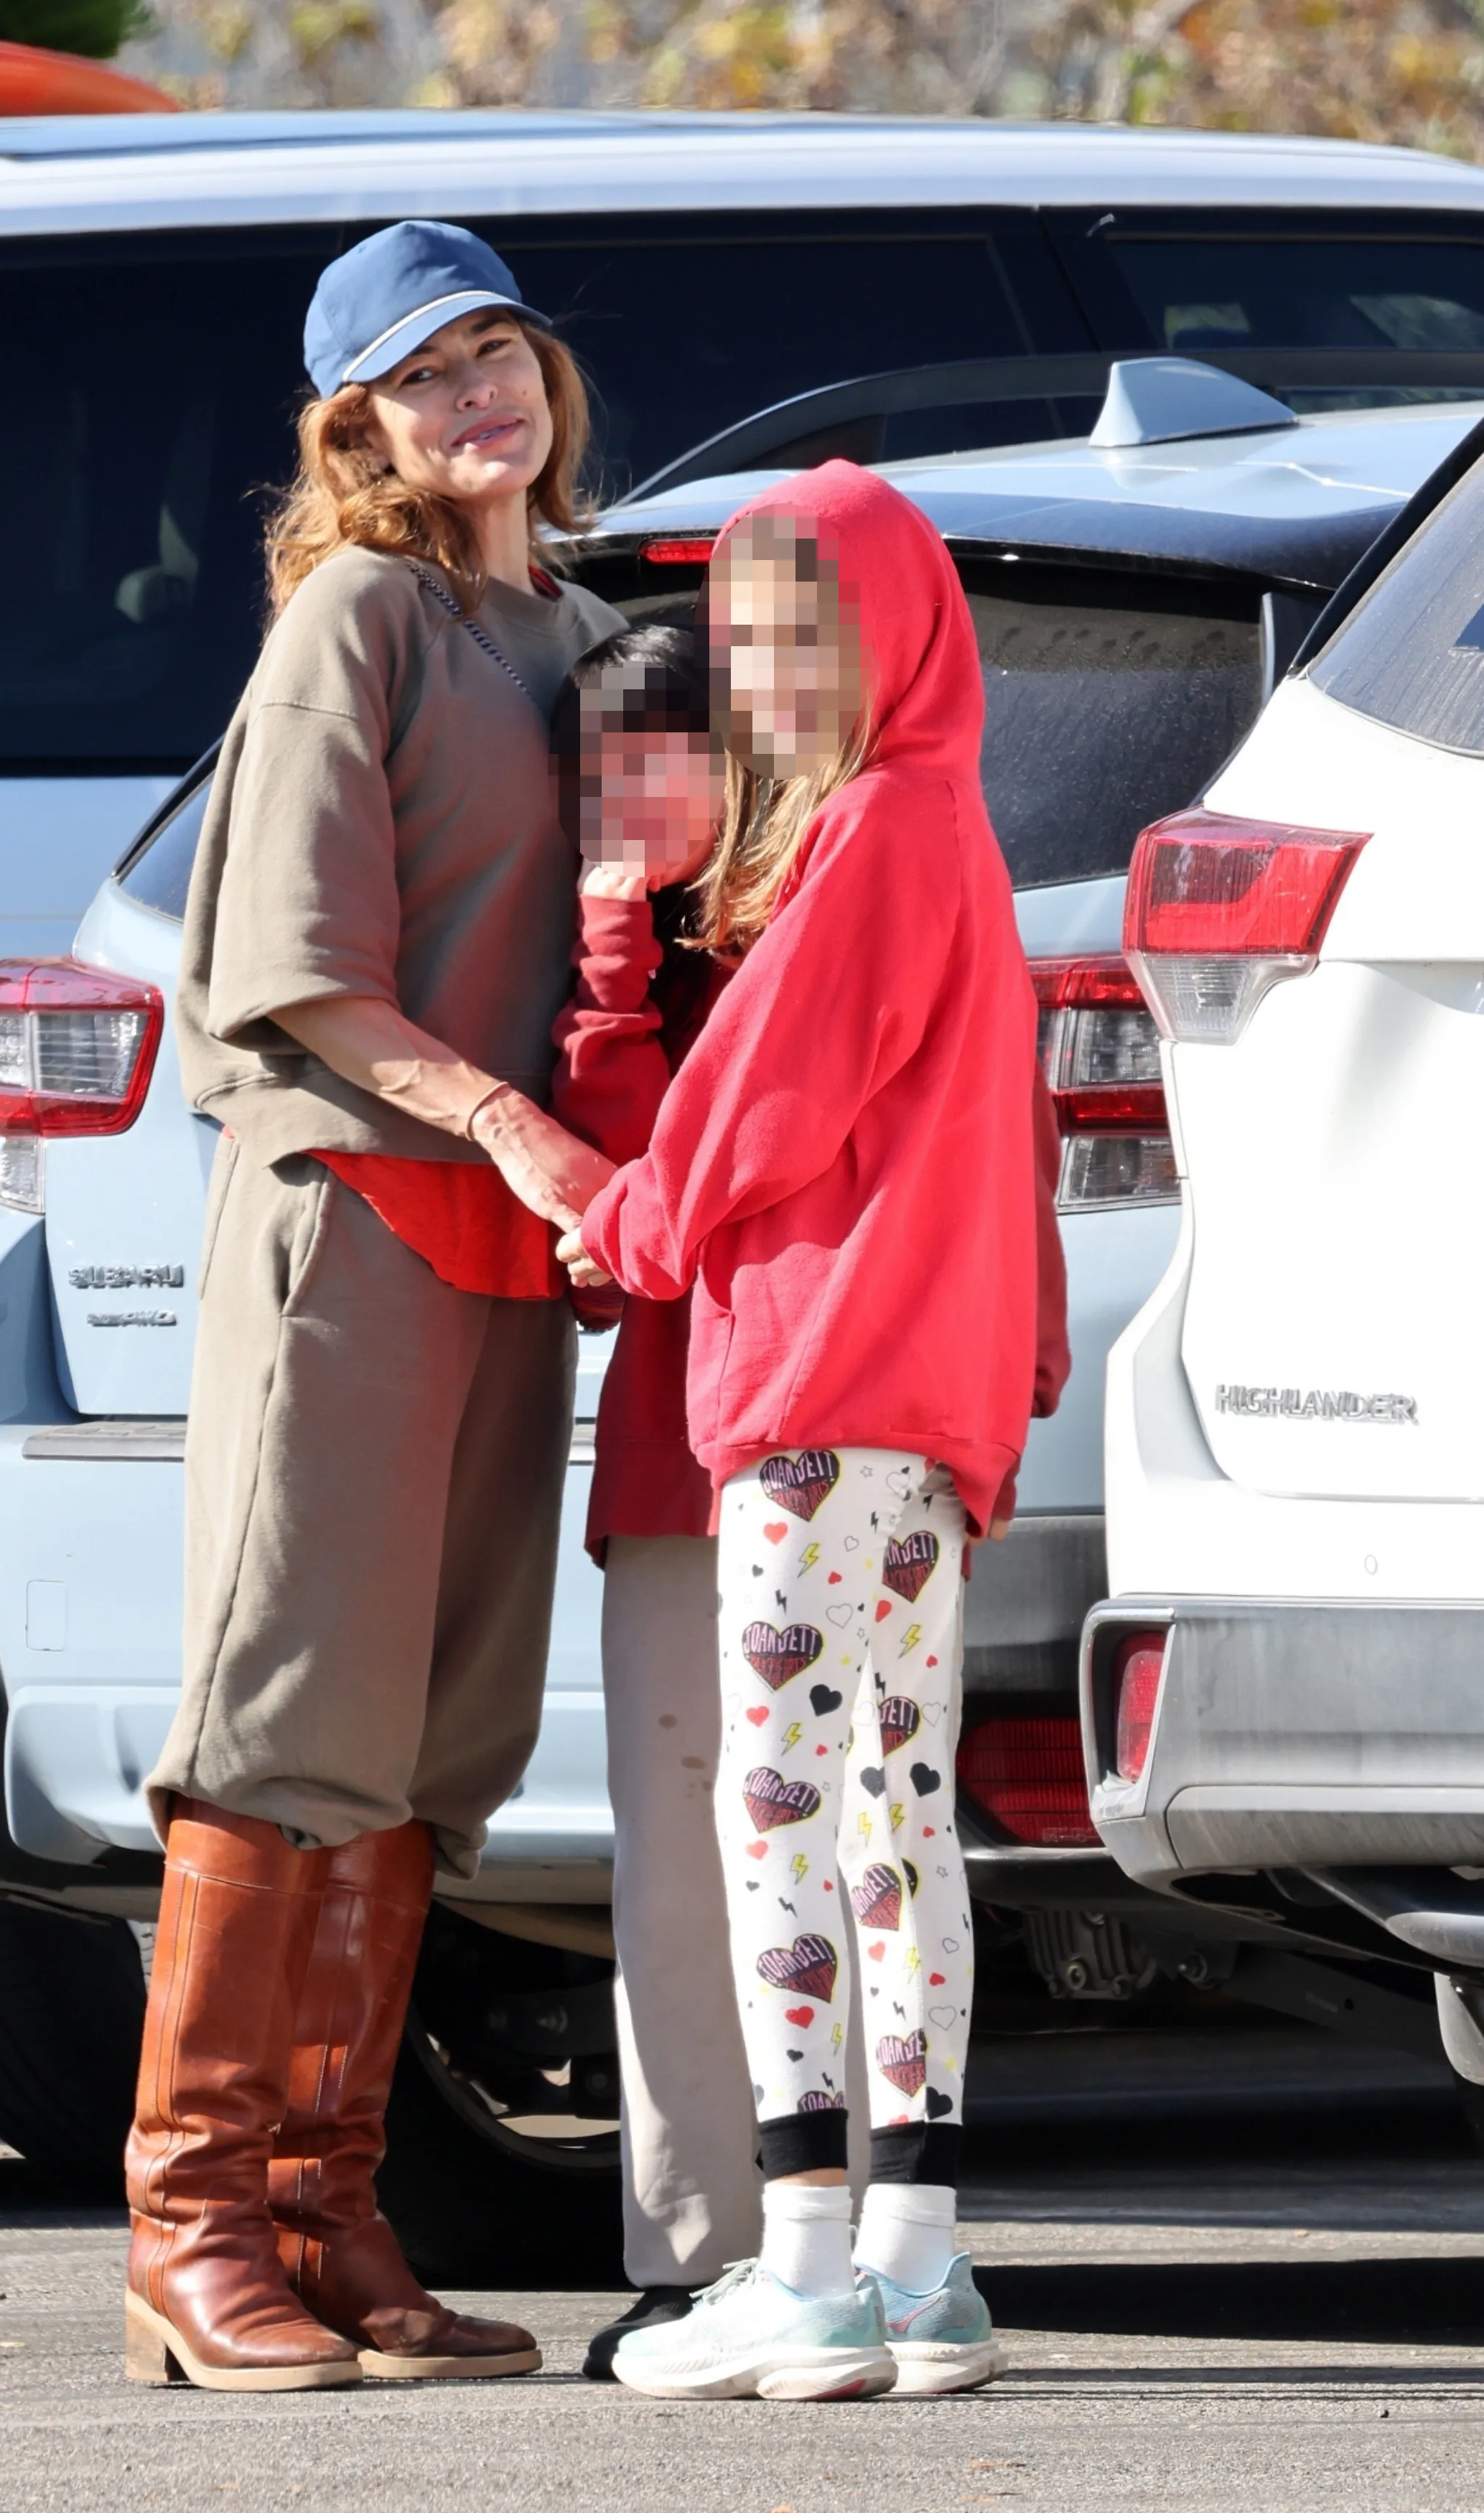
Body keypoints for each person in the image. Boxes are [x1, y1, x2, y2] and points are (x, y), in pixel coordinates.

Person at [123, 219, 624, 2395]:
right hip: (361, 1216)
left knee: (428, 1746)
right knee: (285, 1712)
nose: (475, 398)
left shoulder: (589, 628)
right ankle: (192, 2220)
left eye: (497, 350)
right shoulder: (365, 616)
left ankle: (331, 2207)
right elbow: (298, 965)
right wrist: (514, 1126)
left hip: (521, 1251)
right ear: (362, 431)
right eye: (424, 377)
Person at [559, 462, 1066, 2405]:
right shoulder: (960, 824)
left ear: (890, 631)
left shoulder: (871, 829)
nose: (764, 674)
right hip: (923, 1403)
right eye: (748, 635)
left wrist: (624, 1218)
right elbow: (1010, 1130)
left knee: (774, 1807)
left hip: (809, 1379)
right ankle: (920, 2265)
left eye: (797, 633)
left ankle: (798, 2263)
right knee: (893, 1812)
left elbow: (756, 1107)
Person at [546, 624, 762, 2376]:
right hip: (664, 1447)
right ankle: (697, 2245)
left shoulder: (807, 923)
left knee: (822, 1842)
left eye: (655, 760)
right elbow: (606, 1251)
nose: (626, 804)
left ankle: (846, 2218)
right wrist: (613, 965)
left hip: (813, 1427)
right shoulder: (614, 954)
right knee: (670, 1846)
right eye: (600, 774)